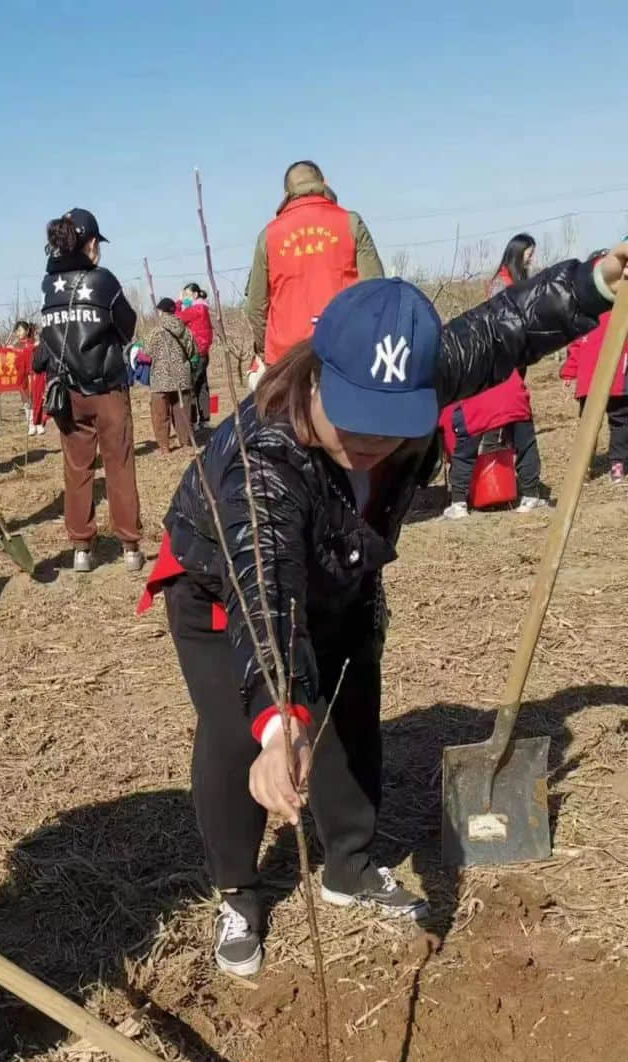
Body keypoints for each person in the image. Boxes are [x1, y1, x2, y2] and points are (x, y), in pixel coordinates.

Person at [138, 246, 628, 978]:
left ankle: (350, 864)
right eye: (357, 420)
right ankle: (239, 890)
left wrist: (591, 283)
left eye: (392, 423)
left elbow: (504, 329)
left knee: (352, 700)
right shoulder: (261, 461)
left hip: (342, 566)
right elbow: (267, 599)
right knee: (241, 738)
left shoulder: (413, 377)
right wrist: (279, 721)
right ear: (319, 374)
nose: (374, 443)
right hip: (223, 590)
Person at [34, 208, 143, 573]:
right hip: (107, 388)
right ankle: (129, 546)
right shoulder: (103, 281)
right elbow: (127, 327)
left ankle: (82, 548)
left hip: (67, 394)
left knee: (77, 469)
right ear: (91, 243)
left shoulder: (48, 286)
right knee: (119, 464)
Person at [441, 233, 547, 517]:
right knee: (523, 439)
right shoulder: (502, 284)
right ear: (517, 253)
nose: (531, 258)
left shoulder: (466, 376)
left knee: (467, 443)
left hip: (496, 386)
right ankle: (530, 494)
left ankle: (458, 502)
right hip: (508, 382)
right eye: (529, 253)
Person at [245, 161, 384, 375]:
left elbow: (256, 306)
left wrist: (268, 351)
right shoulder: (350, 222)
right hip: (344, 349)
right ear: (323, 182)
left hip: (287, 358)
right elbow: (375, 291)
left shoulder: (269, 236)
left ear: (286, 192)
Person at [561, 251, 628, 484]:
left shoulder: (593, 309)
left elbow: (575, 344)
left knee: (608, 421)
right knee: (602, 422)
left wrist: (570, 370)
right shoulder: (589, 310)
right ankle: (590, 464)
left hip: (614, 374)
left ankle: (612, 463)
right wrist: (570, 370)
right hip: (603, 376)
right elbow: (576, 344)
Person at [146, 298, 197, 454]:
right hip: (182, 376)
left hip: (161, 378)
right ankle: (185, 443)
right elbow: (192, 351)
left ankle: (164, 447)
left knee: (160, 413)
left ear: (161, 311)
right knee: (182, 411)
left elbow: (148, 352)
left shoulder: (156, 331)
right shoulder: (185, 330)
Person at [179, 284, 213, 425]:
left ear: (195, 294)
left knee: (191, 385)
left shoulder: (196, 309)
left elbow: (177, 318)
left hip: (195, 352)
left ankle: (192, 420)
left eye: (187, 294)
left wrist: (179, 302)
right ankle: (205, 419)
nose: (185, 297)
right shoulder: (203, 307)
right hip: (203, 352)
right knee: (202, 385)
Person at [13, 319, 46, 437]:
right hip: (23, 377)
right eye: (17, 330)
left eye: (21, 330)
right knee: (27, 402)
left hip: (34, 376)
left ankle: (39, 423)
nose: (19, 332)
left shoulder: (35, 343)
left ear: (27, 331)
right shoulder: (16, 345)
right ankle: (31, 424)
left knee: (37, 400)